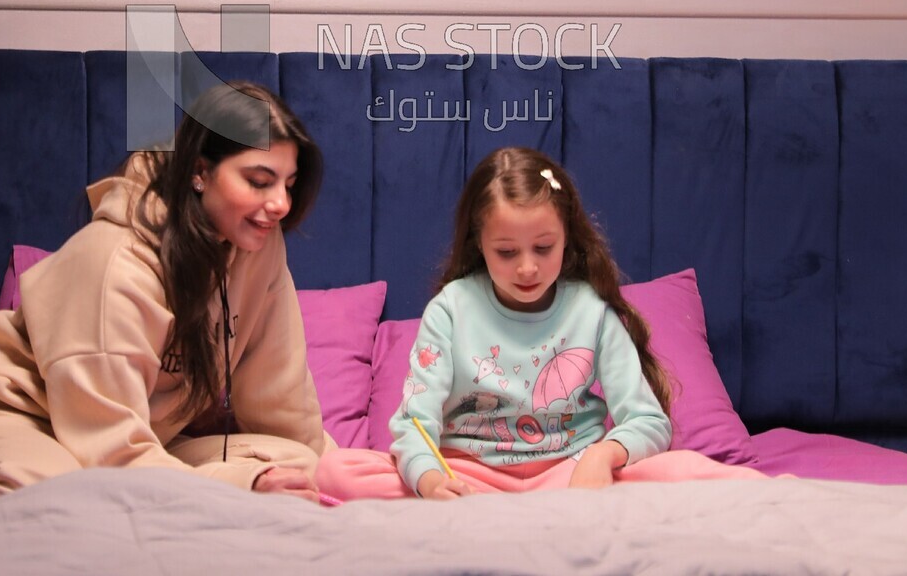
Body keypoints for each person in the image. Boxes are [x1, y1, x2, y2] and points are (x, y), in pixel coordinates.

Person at [0, 80, 329, 562]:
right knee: (64, 501)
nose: (280, 205)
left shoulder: (258, 247)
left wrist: (326, 467)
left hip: (113, 442)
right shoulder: (115, 263)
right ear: (199, 172)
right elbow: (111, 456)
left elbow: (278, 400)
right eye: (259, 180)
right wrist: (243, 486)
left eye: (288, 184)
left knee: (295, 467)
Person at [316, 146, 767, 499]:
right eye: (507, 252)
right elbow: (416, 422)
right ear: (480, 244)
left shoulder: (590, 310)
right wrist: (433, 481)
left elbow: (648, 421)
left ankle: (785, 494)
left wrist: (601, 457)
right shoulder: (451, 308)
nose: (527, 269)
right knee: (336, 471)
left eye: (544, 248)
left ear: (567, 239)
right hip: (470, 479)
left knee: (688, 470)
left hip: (571, 474)